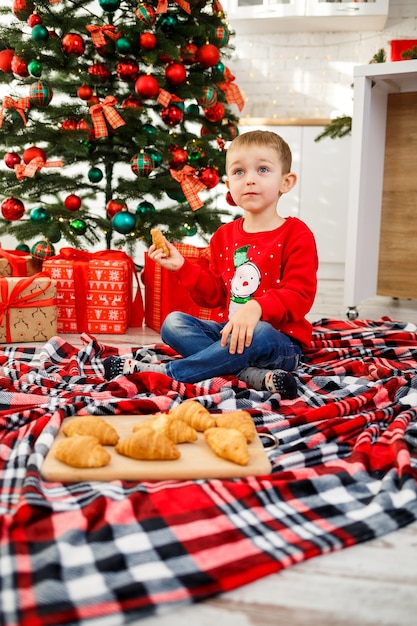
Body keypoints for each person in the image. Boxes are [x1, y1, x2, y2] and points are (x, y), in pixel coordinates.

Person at [104, 130, 318, 399]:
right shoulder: (224, 236)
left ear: (285, 182)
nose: (250, 179)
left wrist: (257, 307)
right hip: (229, 335)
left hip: (279, 343)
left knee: (260, 330)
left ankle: (163, 373)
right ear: (229, 184)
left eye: (263, 169)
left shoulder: (296, 234)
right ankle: (247, 375)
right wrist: (182, 266)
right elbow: (216, 294)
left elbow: (300, 296)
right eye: (239, 172)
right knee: (173, 323)